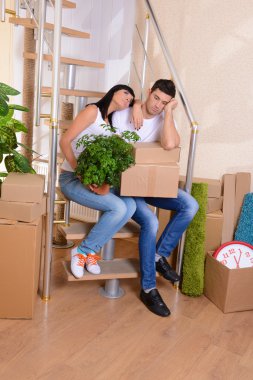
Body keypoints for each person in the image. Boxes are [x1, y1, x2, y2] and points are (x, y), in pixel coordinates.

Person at [112, 79, 199, 317]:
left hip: (151, 187)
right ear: (149, 93)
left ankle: (159, 256)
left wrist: (169, 113)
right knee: (151, 222)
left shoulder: (164, 119)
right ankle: (148, 288)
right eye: (156, 98)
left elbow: (170, 144)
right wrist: (138, 105)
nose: (158, 105)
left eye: (164, 102)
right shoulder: (123, 115)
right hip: (128, 187)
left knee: (190, 205)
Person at [59, 84, 137, 279]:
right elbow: (65, 141)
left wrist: (105, 185)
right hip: (71, 178)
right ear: (113, 91)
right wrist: (80, 174)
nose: (128, 98)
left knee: (130, 205)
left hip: (93, 179)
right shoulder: (92, 111)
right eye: (125, 93)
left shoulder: (110, 125)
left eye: (131, 99)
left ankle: (90, 251)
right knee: (118, 208)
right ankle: (82, 251)